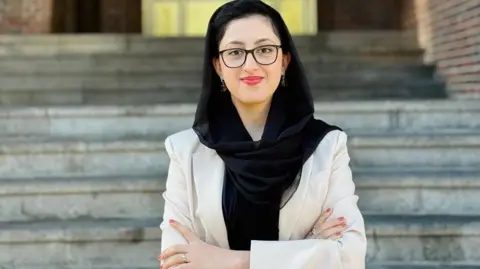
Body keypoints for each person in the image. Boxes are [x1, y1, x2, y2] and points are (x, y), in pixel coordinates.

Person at [157, 0, 367, 268]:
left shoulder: (327, 145)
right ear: (218, 66)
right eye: (235, 52)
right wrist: (307, 249)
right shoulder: (184, 150)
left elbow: (349, 257)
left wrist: (229, 260)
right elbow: (176, 262)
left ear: (284, 61)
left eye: (265, 50)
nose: (251, 65)